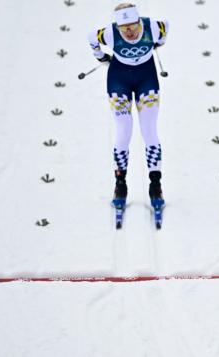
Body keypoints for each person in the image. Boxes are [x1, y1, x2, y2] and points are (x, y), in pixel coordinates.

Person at [87, 3, 168, 209]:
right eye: (124, 29)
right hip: (118, 80)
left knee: (149, 130)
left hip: (146, 79)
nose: (129, 32)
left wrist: (159, 43)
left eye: (133, 26)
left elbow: (165, 28)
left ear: (139, 21)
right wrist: (101, 57)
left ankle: (155, 185)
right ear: (118, 27)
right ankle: (120, 184)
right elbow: (91, 37)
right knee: (124, 130)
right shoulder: (110, 34)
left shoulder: (153, 27)